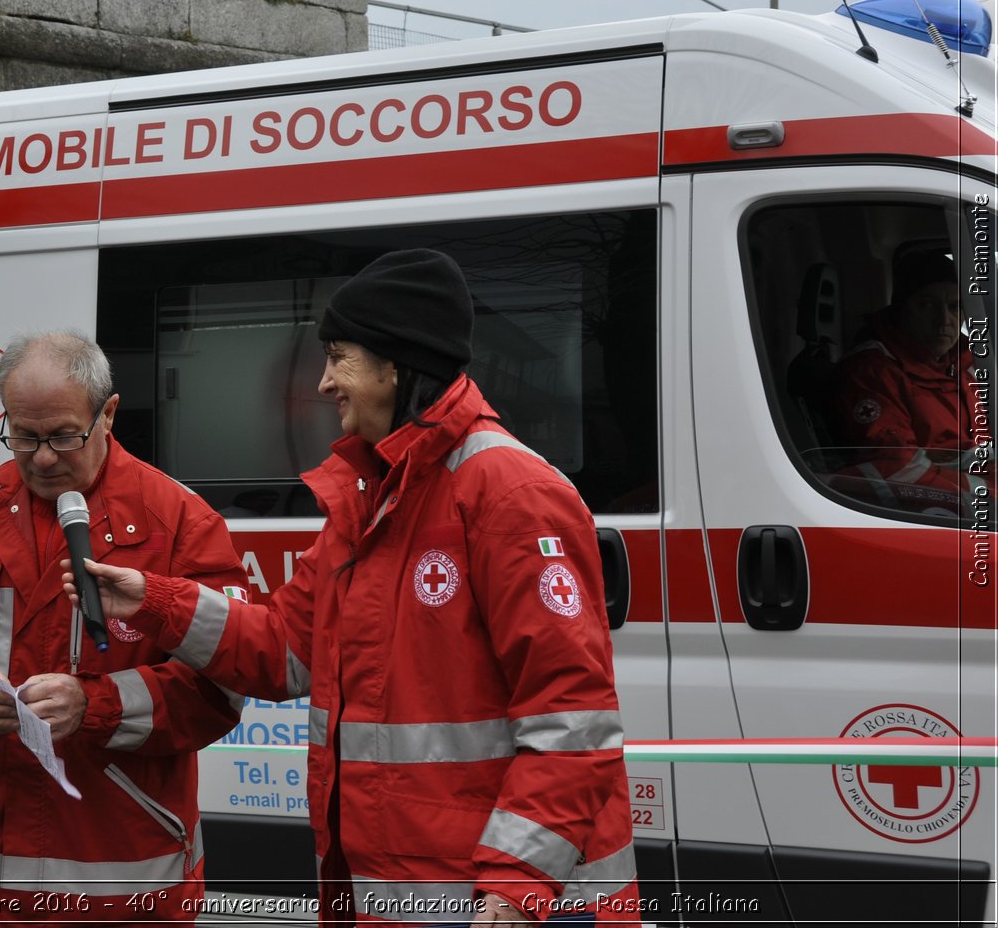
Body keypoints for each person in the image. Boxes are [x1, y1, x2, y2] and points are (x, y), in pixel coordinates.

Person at [66, 250, 639, 926]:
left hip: (511, 906)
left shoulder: (510, 492)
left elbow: (571, 717)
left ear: (396, 365)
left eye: (339, 355)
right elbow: (285, 650)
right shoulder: (370, 501)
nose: (323, 381)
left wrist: (515, 888)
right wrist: (156, 602)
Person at [0, 331, 245, 924]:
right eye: (23, 435)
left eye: (62, 436)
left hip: (127, 889)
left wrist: (94, 705)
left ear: (108, 414)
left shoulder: (180, 521)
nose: (43, 457)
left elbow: (221, 688)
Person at [830, 245, 986, 505]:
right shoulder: (872, 371)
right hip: (929, 512)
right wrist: (986, 492)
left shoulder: (965, 362)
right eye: (926, 305)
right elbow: (896, 468)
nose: (943, 320)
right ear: (901, 309)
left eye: (954, 306)